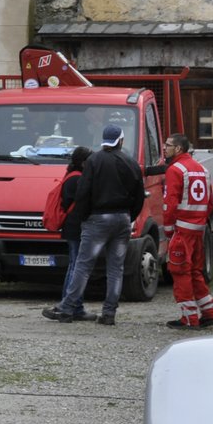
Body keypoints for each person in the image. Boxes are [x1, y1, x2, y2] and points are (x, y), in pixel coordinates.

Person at [43, 124, 145, 325]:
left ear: (104, 140)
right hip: (123, 218)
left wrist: (84, 217)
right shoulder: (131, 162)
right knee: (115, 268)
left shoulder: (94, 160)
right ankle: (109, 313)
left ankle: (67, 308)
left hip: (97, 218)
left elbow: (83, 192)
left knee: (83, 266)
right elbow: (139, 195)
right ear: (121, 141)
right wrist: (129, 215)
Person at [160, 133, 213, 330]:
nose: (164, 147)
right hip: (198, 230)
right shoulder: (203, 169)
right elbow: (210, 202)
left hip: (182, 230)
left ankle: (189, 317)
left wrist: (169, 230)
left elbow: (170, 203)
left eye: (168, 145)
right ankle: (209, 312)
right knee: (195, 270)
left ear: (178, 149)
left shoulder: (174, 170)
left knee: (180, 271)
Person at [52, 147, 92, 317]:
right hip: (77, 227)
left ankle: (69, 303)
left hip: (70, 227)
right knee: (77, 267)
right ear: (83, 162)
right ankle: (72, 306)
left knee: (73, 265)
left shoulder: (70, 176)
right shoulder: (78, 180)